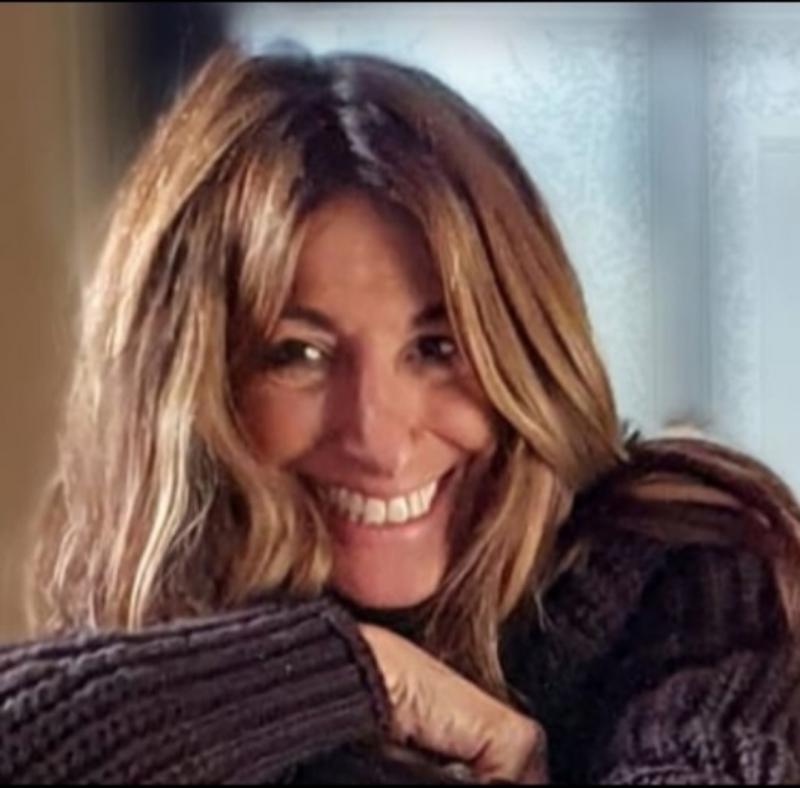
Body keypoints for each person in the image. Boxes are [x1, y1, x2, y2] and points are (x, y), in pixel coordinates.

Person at [2, 46, 800, 785]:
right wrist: (361, 676)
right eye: (298, 354)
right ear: (194, 390)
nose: (378, 438)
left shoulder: (684, 576)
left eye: (437, 347)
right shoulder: (146, 675)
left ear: (523, 349)